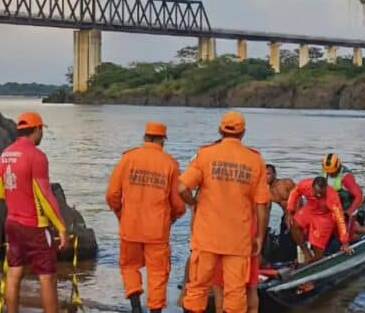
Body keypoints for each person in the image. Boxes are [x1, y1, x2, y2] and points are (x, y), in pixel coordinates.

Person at [179, 111, 271, 313]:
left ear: (220, 130)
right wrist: (259, 237)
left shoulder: (205, 154)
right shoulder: (255, 160)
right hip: (238, 240)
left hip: (206, 238)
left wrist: (194, 203)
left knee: (197, 288)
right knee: (236, 292)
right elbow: (262, 205)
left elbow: (181, 188)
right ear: (243, 133)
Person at [105, 122, 185, 313]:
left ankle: (135, 305)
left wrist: (121, 214)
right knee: (157, 272)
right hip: (157, 231)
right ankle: (155, 310)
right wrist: (171, 219)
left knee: (129, 266)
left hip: (130, 227)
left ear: (145, 137)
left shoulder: (127, 158)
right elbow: (179, 204)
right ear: (162, 140)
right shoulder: (170, 163)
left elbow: (111, 195)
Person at [0, 111, 69, 313]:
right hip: (35, 225)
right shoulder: (36, 156)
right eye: (41, 130)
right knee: (47, 277)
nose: (41, 135)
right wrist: (61, 227)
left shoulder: (5, 154)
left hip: (12, 223)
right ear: (36, 130)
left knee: (14, 273)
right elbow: (45, 196)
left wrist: (18, 194)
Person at [287, 177, 352, 264]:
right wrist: (290, 210)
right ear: (312, 187)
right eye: (316, 192)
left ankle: (312, 262)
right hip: (310, 209)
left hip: (324, 216)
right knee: (294, 224)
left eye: (321, 194)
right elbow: (295, 193)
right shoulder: (305, 184)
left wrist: (344, 242)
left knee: (318, 250)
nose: (318, 195)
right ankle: (306, 252)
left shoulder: (332, 197)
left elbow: (340, 219)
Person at [321, 154, 363, 234]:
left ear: (338, 167)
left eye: (332, 172)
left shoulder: (346, 177)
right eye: (328, 172)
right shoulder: (325, 172)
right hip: (332, 209)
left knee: (345, 233)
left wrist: (348, 213)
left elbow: (359, 196)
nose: (330, 174)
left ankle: (356, 233)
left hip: (346, 209)